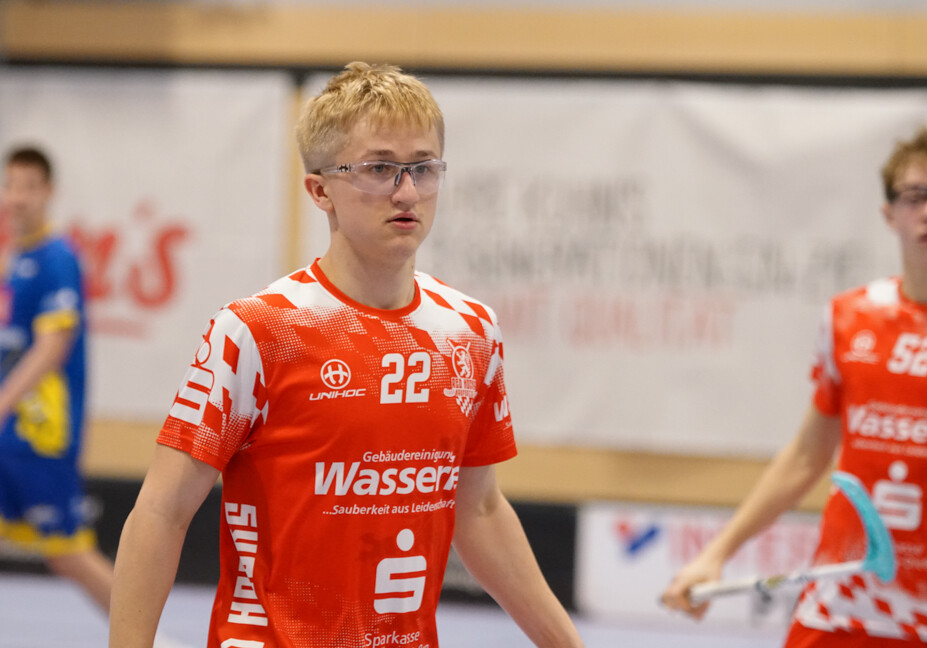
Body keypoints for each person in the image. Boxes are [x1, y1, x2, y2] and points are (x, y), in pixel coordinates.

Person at [109, 62, 584, 648]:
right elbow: (161, 512)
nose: (407, 191)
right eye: (380, 168)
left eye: (423, 168)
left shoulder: (469, 331)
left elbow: (479, 509)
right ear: (319, 190)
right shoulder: (258, 331)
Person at [662, 127, 927, 647]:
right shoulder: (850, 318)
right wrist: (714, 554)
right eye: (914, 195)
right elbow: (807, 456)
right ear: (888, 213)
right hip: (841, 611)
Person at [0, 146, 117, 647]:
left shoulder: (57, 259)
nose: (17, 197)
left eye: (28, 187)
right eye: (10, 185)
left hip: (43, 431)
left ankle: (154, 639)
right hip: (5, 435)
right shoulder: (13, 258)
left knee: (67, 555)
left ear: (48, 193)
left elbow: (54, 345)